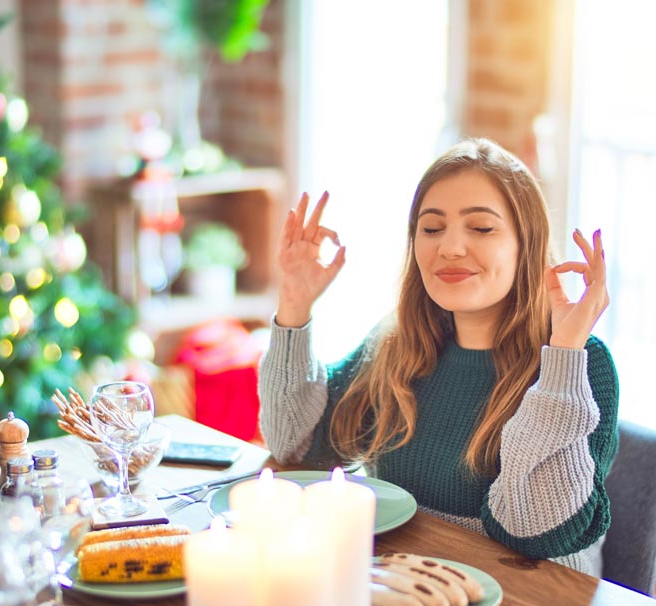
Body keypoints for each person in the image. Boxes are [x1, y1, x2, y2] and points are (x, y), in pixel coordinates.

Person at [259, 137, 619, 577]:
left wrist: (563, 355)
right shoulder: (397, 344)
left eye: (481, 228)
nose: (448, 248)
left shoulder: (584, 364)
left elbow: (535, 532)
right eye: (431, 229)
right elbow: (293, 444)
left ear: (527, 245)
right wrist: (294, 304)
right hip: (405, 588)